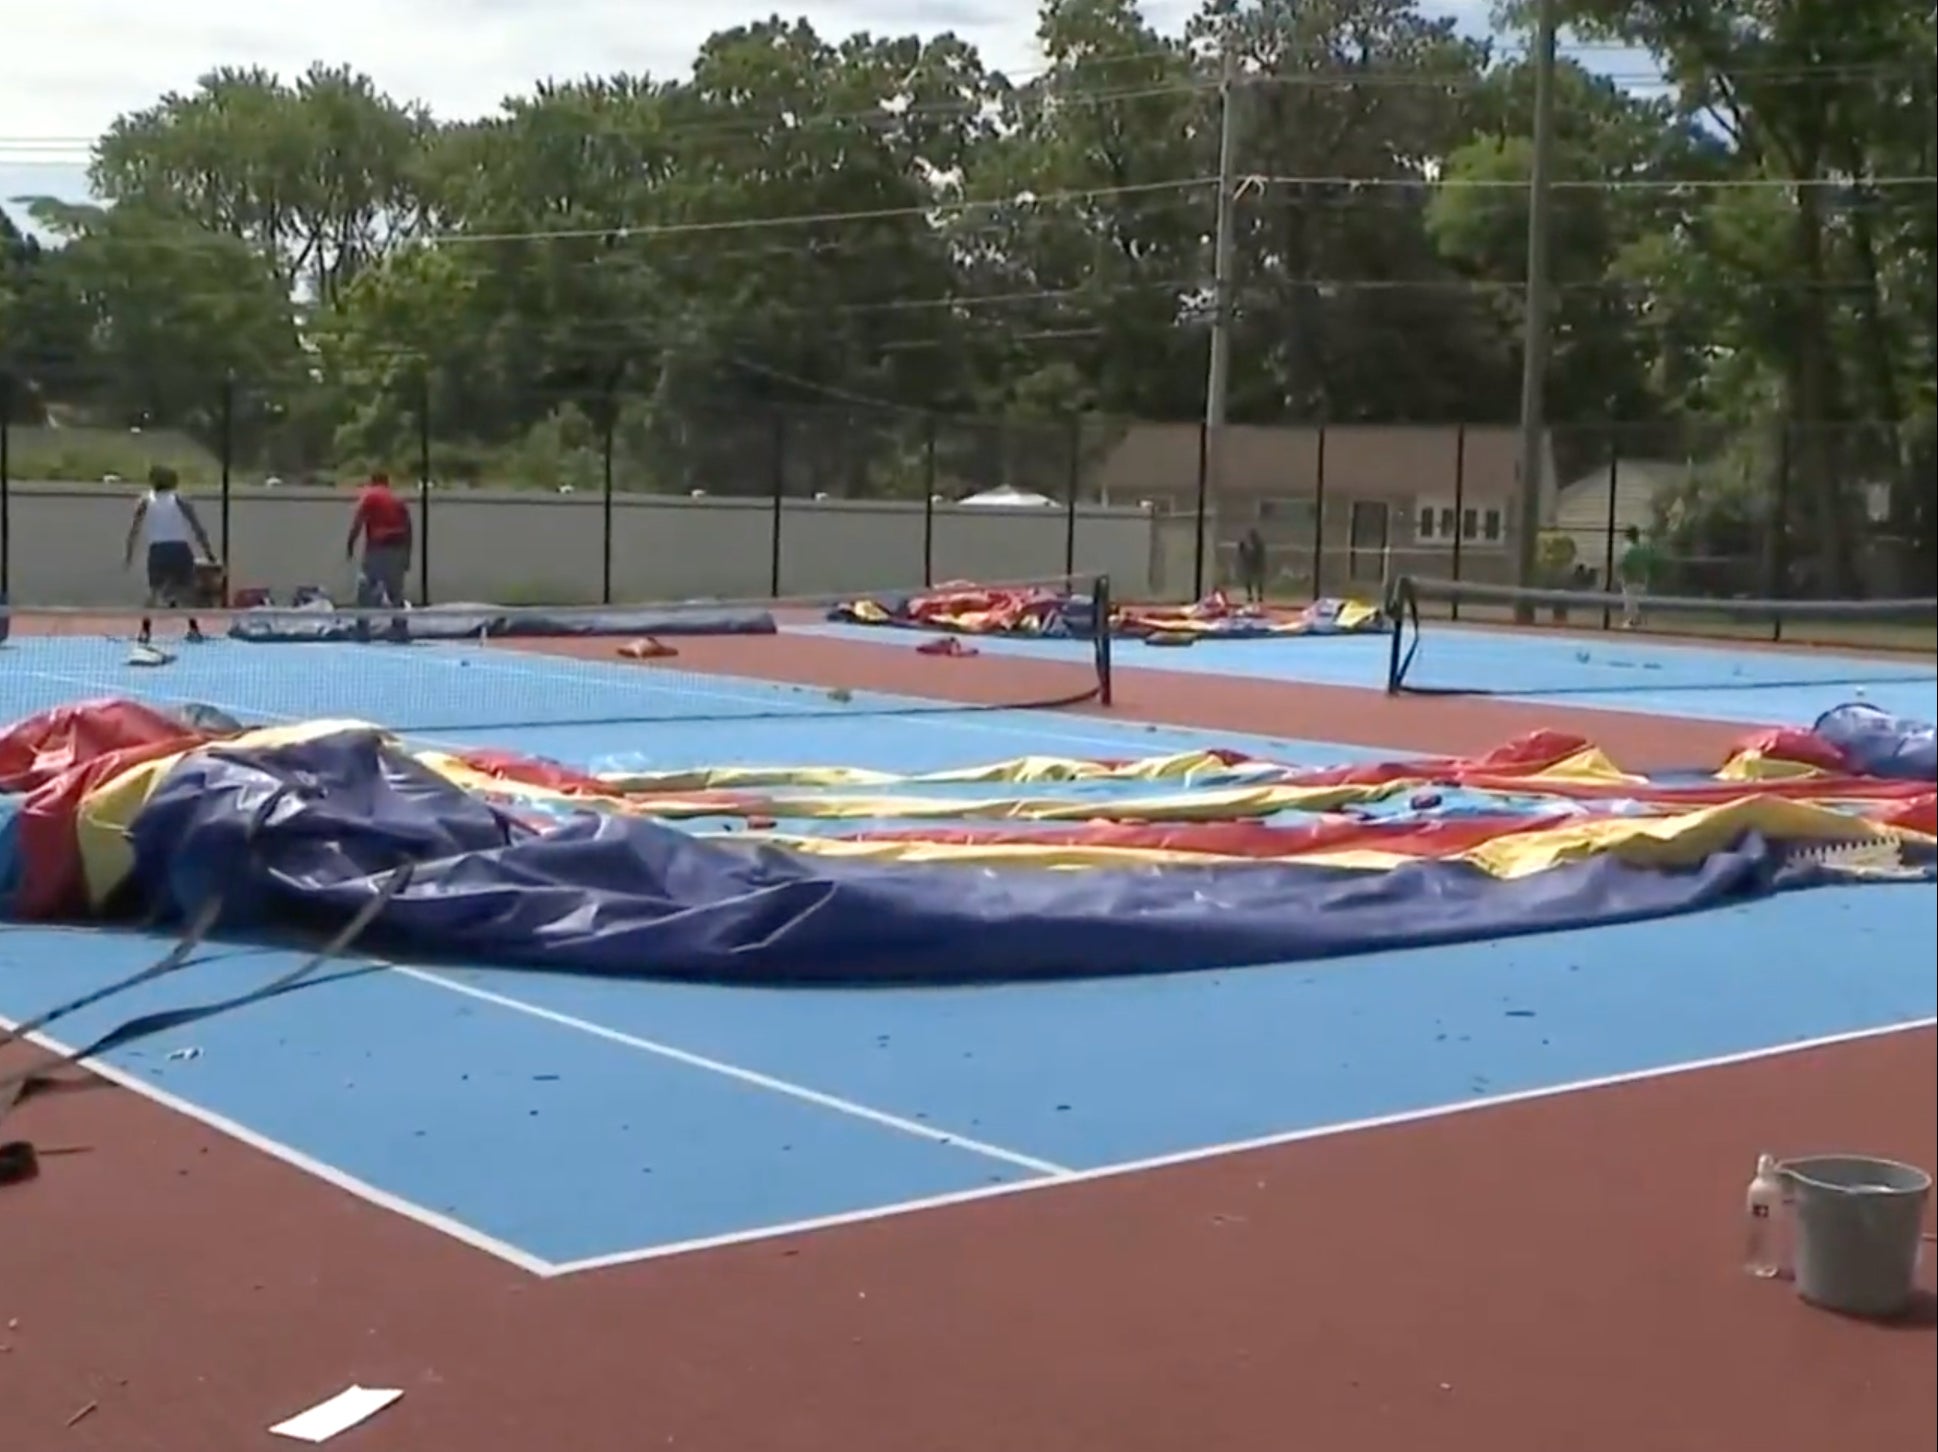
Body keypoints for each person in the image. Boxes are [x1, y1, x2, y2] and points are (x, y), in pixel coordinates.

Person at [124, 465, 215, 645]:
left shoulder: (145, 500)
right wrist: (208, 552)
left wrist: (129, 554)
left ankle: (145, 629)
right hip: (179, 549)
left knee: (154, 592)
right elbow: (197, 527)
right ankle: (193, 627)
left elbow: (134, 530)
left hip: (159, 550)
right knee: (186, 590)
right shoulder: (179, 499)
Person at [346, 472, 414, 609]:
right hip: (398, 547)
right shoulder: (398, 500)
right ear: (387, 482)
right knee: (396, 591)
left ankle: (363, 623)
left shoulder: (370, 496)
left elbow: (358, 522)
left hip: (378, 546)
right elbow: (408, 529)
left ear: (372, 481)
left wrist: (350, 544)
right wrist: (407, 556)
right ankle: (399, 624)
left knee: (367, 586)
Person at [1616, 525, 1658, 629]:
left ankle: (1633, 622)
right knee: (1637, 601)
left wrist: (1622, 576)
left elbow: (1623, 563)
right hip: (1641, 578)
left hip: (1631, 579)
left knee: (1630, 602)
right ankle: (1637, 621)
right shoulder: (1642, 547)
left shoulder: (1627, 548)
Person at [1236, 527, 1268, 604]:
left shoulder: (1259, 544)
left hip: (1257, 565)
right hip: (1251, 566)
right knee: (1249, 580)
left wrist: (1245, 552)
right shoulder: (1249, 544)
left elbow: (1258, 554)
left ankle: (1259, 596)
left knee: (1258, 581)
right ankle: (1250, 596)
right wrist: (1242, 549)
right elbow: (1244, 555)